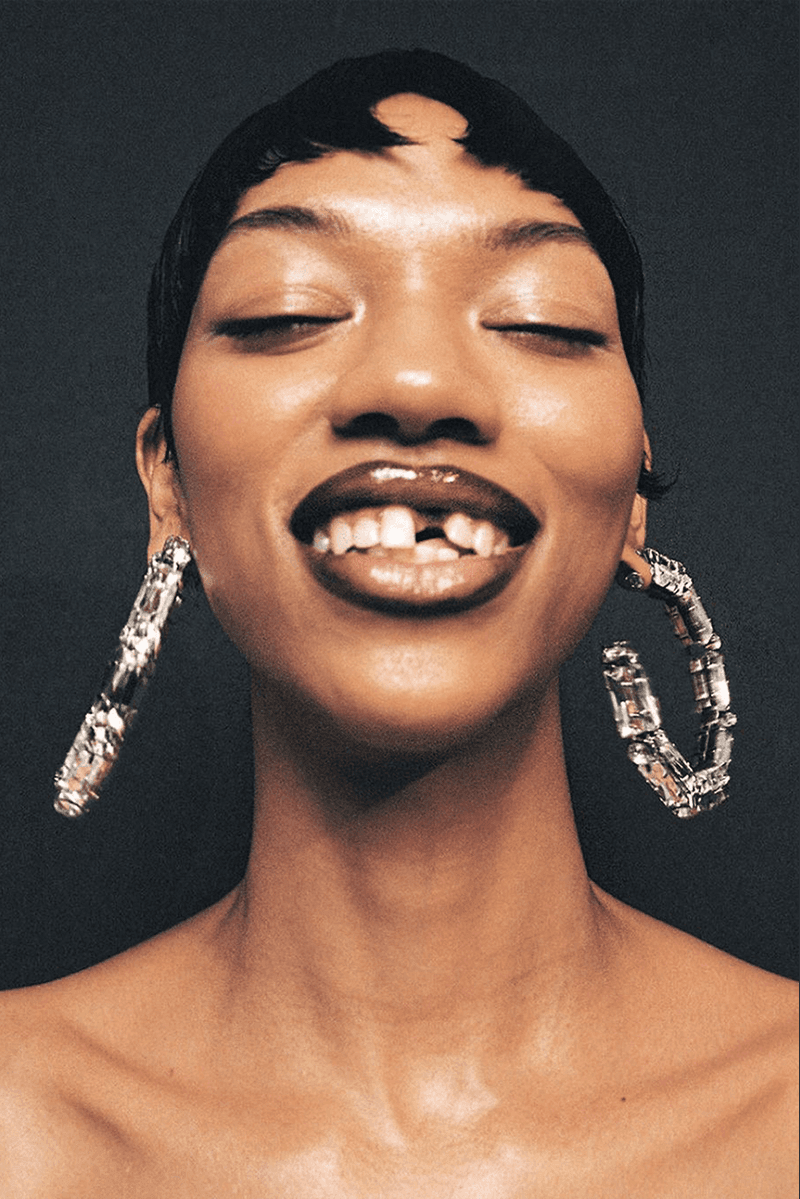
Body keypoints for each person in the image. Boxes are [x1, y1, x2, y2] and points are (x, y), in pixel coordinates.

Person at [1, 50, 796, 1196]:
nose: (417, 381)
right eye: (291, 310)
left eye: (541, 322)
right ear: (165, 479)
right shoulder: (21, 1119)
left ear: (629, 494)